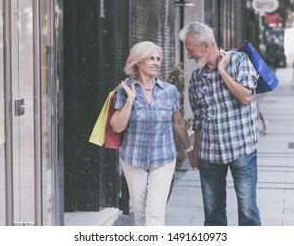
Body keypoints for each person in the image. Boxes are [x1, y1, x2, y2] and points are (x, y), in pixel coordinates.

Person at [179, 21, 261, 226]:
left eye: (191, 50)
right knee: (213, 215)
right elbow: (198, 118)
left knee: (248, 212)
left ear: (205, 46)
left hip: (241, 149)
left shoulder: (239, 61)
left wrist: (223, 72)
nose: (189, 56)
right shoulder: (196, 77)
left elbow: (246, 97)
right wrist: (195, 151)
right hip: (210, 154)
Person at [110, 41, 193, 226]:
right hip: (133, 158)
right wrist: (130, 100)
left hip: (163, 157)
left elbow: (178, 122)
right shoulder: (124, 90)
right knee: (140, 215)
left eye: (158, 59)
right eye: (151, 58)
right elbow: (117, 126)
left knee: (155, 213)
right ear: (138, 62)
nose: (156, 63)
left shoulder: (169, 91)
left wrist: (190, 149)